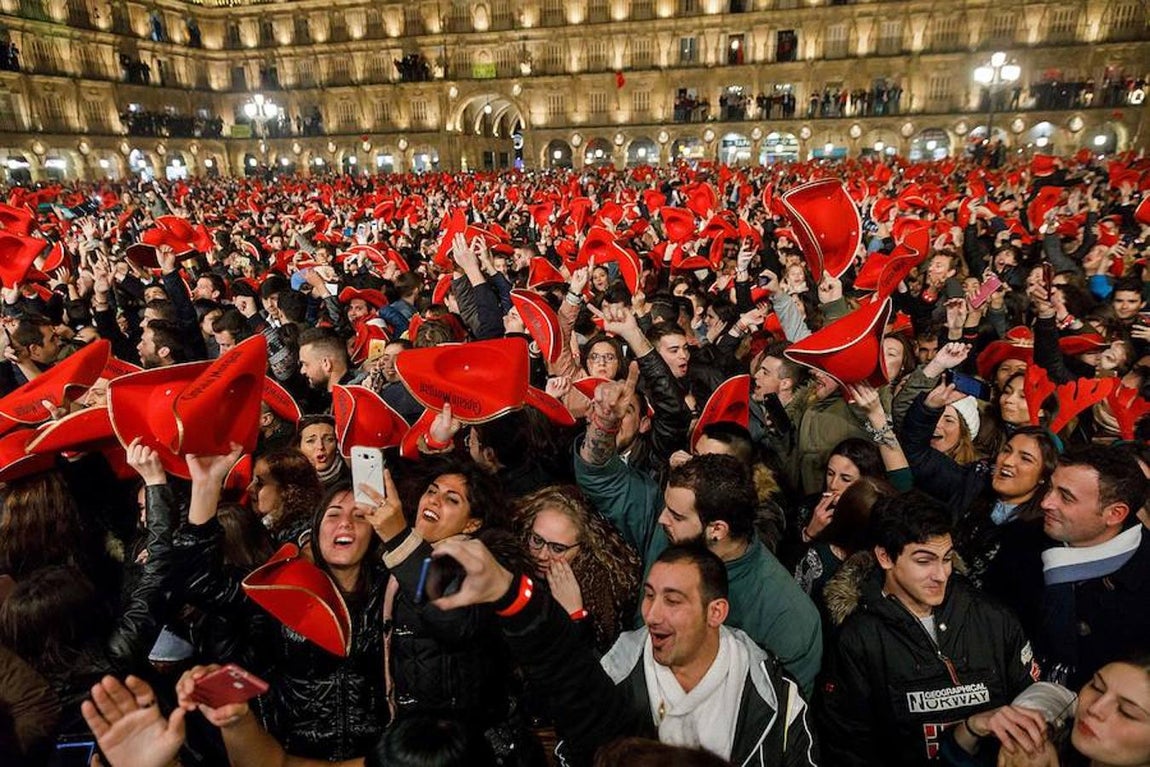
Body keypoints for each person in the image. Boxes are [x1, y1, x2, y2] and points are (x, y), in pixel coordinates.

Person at [428, 540, 819, 767]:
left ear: (715, 612)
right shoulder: (617, 677)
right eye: (649, 596)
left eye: (673, 600)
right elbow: (570, 680)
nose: (652, 615)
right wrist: (513, 596)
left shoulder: (775, 700)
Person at [576, 365, 823, 694]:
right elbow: (600, 476)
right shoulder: (664, 524)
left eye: (677, 516)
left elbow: (780, 718)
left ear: (717, 529)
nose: (662, 520)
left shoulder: (786, 615)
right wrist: (604, 424)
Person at [818, 490, 1041, 766]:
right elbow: (848, 747)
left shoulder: (994, 619)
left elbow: (1034, 702)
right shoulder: (858, 639)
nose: (941, 574)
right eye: (924, 561)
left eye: (947, 558)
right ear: (885, 557)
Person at [1032, 445, 1150, 688]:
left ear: (1115, 514)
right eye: (1050, 488)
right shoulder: (1023, 539)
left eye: (1065, 497)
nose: (1045, 502)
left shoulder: (1144, 584)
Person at [510, 485, 642, 652]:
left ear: (583, 549)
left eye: (557, 549)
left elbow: (587, 666)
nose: (542, 555)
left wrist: (575, 615)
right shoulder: (512, 568)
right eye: (537, 540)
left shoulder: (601, 591)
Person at [296, 415, 348, 488]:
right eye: (310, 441)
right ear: (299, 447)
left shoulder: (352, 479)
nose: (320, 446)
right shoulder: (290, 481)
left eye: (328, 439)